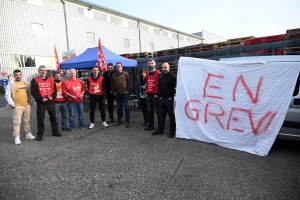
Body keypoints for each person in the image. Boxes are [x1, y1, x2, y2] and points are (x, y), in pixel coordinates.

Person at [31, 65, 62, 141]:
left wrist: (53, 97)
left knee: (53, 117)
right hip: (41, 102)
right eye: (42, 70)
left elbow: (55, 90)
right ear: (39, 71)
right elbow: (34, 92)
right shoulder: (34, 80)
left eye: (45, 70)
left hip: (50, 102)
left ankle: (55, 131)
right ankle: (40, 134)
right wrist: (41, 99)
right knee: (40, 119)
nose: (43, 72)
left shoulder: (51, 80)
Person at [5, 69, 35, 144]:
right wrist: (12, 104)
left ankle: (28, 134)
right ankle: (16, 137)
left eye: (19, 74)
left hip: (27, 105)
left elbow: (30, 93)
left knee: (27, 120)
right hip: (17, 106)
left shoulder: (26, 83)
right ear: (14, 76)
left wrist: (31, 101)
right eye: (16, 75)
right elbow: (7, 95)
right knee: (17, 122)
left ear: (22, 75)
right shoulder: (11, 84)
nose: (18, 76)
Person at [152, 62, 177, 138]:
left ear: (169, 68)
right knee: (161, 116)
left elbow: (175, 88)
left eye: (165, 67)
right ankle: (160, 130)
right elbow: (160, 87)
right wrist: (159, 95)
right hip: (162, 99)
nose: (164, 69)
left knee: (171, 116)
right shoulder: (161, 76)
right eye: (163, 68)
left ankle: (172, 132)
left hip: (169, 100)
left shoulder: (173, 77)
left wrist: (171, 97)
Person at [111, 62, 131, 127]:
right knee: (118, 107)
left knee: (126, 107)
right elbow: (112, 84)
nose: (118, 67)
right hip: (117, 94)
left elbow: (129, 83)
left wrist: (127, 90)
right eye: (117, 66)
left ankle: (127, 121)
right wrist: (114, 91)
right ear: (115, 67)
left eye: (119, 66)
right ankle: (119, 120)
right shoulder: (114, 75)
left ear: (122, 67)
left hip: (124, 94)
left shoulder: (125, 74)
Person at [145, 58, 161, 131]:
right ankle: (151, 125)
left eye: (152, 63)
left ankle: (160, 127)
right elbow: (147, 84)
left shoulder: (158, 73)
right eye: (150, 63)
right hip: (149, 95)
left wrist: (158, 93)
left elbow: (161, 84)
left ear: (155, 64)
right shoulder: (147, 74)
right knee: (150, 111)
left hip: (155, 95)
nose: (151, 64)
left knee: (158, 111)